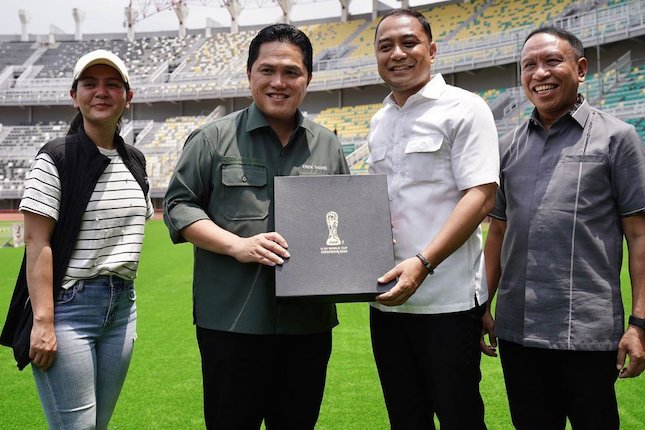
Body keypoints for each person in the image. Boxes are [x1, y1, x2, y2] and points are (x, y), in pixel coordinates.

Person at [163, 24, 350, 429]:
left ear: (308, 79)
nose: (278, 82)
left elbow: (345, 217)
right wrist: (235, 245)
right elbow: (178, 205)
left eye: (291, 72)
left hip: (307, 326)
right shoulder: (212, 139)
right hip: (231, 323)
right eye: (267, 70)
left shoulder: (328, 144)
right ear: (250, 75)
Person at [482, 26, 645, 429]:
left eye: (552, 61)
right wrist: (483, 303)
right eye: (528, 66)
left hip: (588, 332)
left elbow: (640, 235)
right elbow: (498, 232)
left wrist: (640, 324)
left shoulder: (618, 138)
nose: (540, 73)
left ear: (581, 68)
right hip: (518, 331)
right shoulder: (508, 147)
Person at [0, 49, 153, 429]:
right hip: (69, 309)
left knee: (97, 425)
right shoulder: (55, 158)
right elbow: (37, 244)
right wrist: (44, 323)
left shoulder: (135, 160)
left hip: (122, 309)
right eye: (90, 84)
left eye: (112, 84)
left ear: (127, 97)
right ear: (74, 95)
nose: (101, 92)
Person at [367, 9, 499, 429]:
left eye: (409, 43)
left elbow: (480, 196)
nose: (397, 54)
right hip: (387, 303)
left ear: (432, 50)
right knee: (405, 418)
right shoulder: (379, 120)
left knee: (460, 417)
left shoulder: (465, 108)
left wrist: (423, 263)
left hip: (448, 303)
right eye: (385, 46)